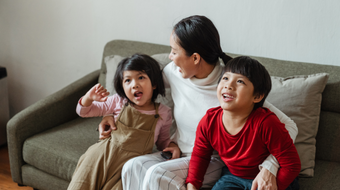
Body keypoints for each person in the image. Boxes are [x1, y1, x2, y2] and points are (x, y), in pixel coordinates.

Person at [99, 15, 298, 190]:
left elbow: (288, 126)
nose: (170, 57)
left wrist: (269, 166)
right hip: (178, 151)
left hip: (211, 159)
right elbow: (140, 89)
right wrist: (110, 112)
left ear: (195, 58)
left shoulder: (230, 86)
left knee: (157, 175)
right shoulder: (174, 72)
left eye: (174, 51)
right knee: (131, 166)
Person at [186, 56, 301, 190]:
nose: (229, 85)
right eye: (225, 78)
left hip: (270, 178)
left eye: (240, 81)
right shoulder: (209, 121)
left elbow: (292, 165)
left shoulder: (267, 123)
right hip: (232, 177)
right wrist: (192, 186)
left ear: (257, 96)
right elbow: (200, 156)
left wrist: (276, 186)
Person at [67, 54, 173, 190]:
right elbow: (83, 111)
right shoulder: (118, 101)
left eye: (141, 77)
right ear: (122, 86)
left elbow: (162, 142)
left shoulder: (163, 112)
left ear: (154, 84)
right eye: (128, 80)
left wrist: (172, 146)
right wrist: (88, 98)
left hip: (129, 167)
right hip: (101, 157)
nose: (135, 85)